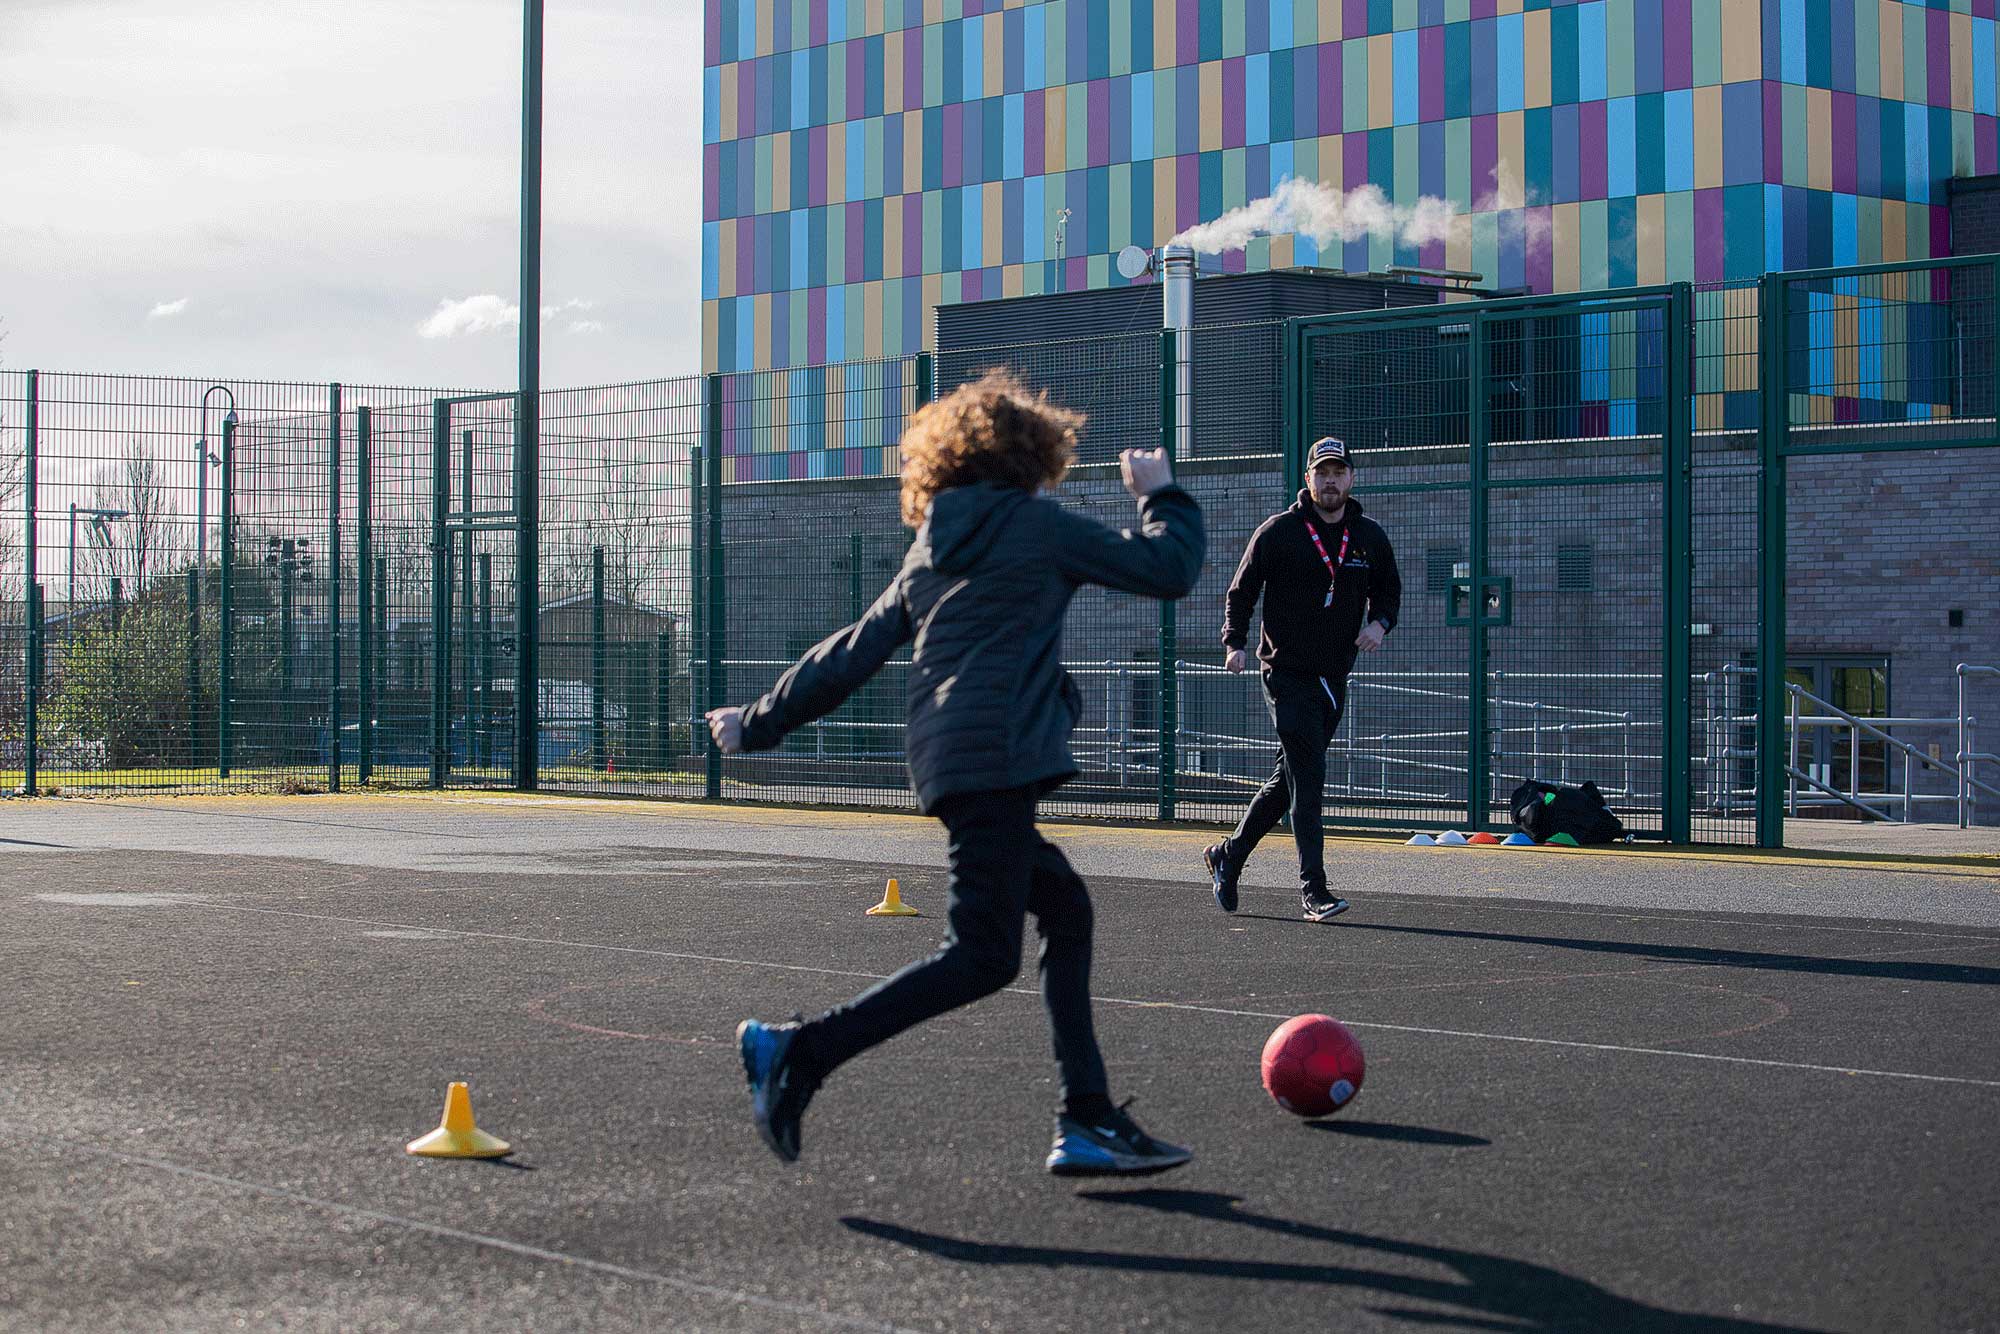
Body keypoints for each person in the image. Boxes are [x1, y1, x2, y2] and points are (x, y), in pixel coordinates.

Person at [708, 369, 1205, 1176]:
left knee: (1065, 911)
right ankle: (800, 1051)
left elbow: (849, 653)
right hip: (997, 759)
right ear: (1031, 456)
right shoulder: (1038, 527)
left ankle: (1088, 1115)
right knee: (981, 957)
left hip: (951, 762)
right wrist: (1161, 493)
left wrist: (755, 722)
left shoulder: (931, 549)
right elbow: (1168, 570)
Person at [1204, 436, 1401, 922]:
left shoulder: (1368, 536)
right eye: (1321, 472)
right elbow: (1241, 591)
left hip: (1333, 677)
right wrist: (1235, 643)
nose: (1330, 480)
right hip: (1284, 672)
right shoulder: (1279, 531)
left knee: (1287, 783)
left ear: (1351, 478)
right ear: (1307, 480)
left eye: (1338, 471)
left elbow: (1389, 590)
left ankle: (1228, 855)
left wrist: (1380, 623)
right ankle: (1314, 890)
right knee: (1309, 777)